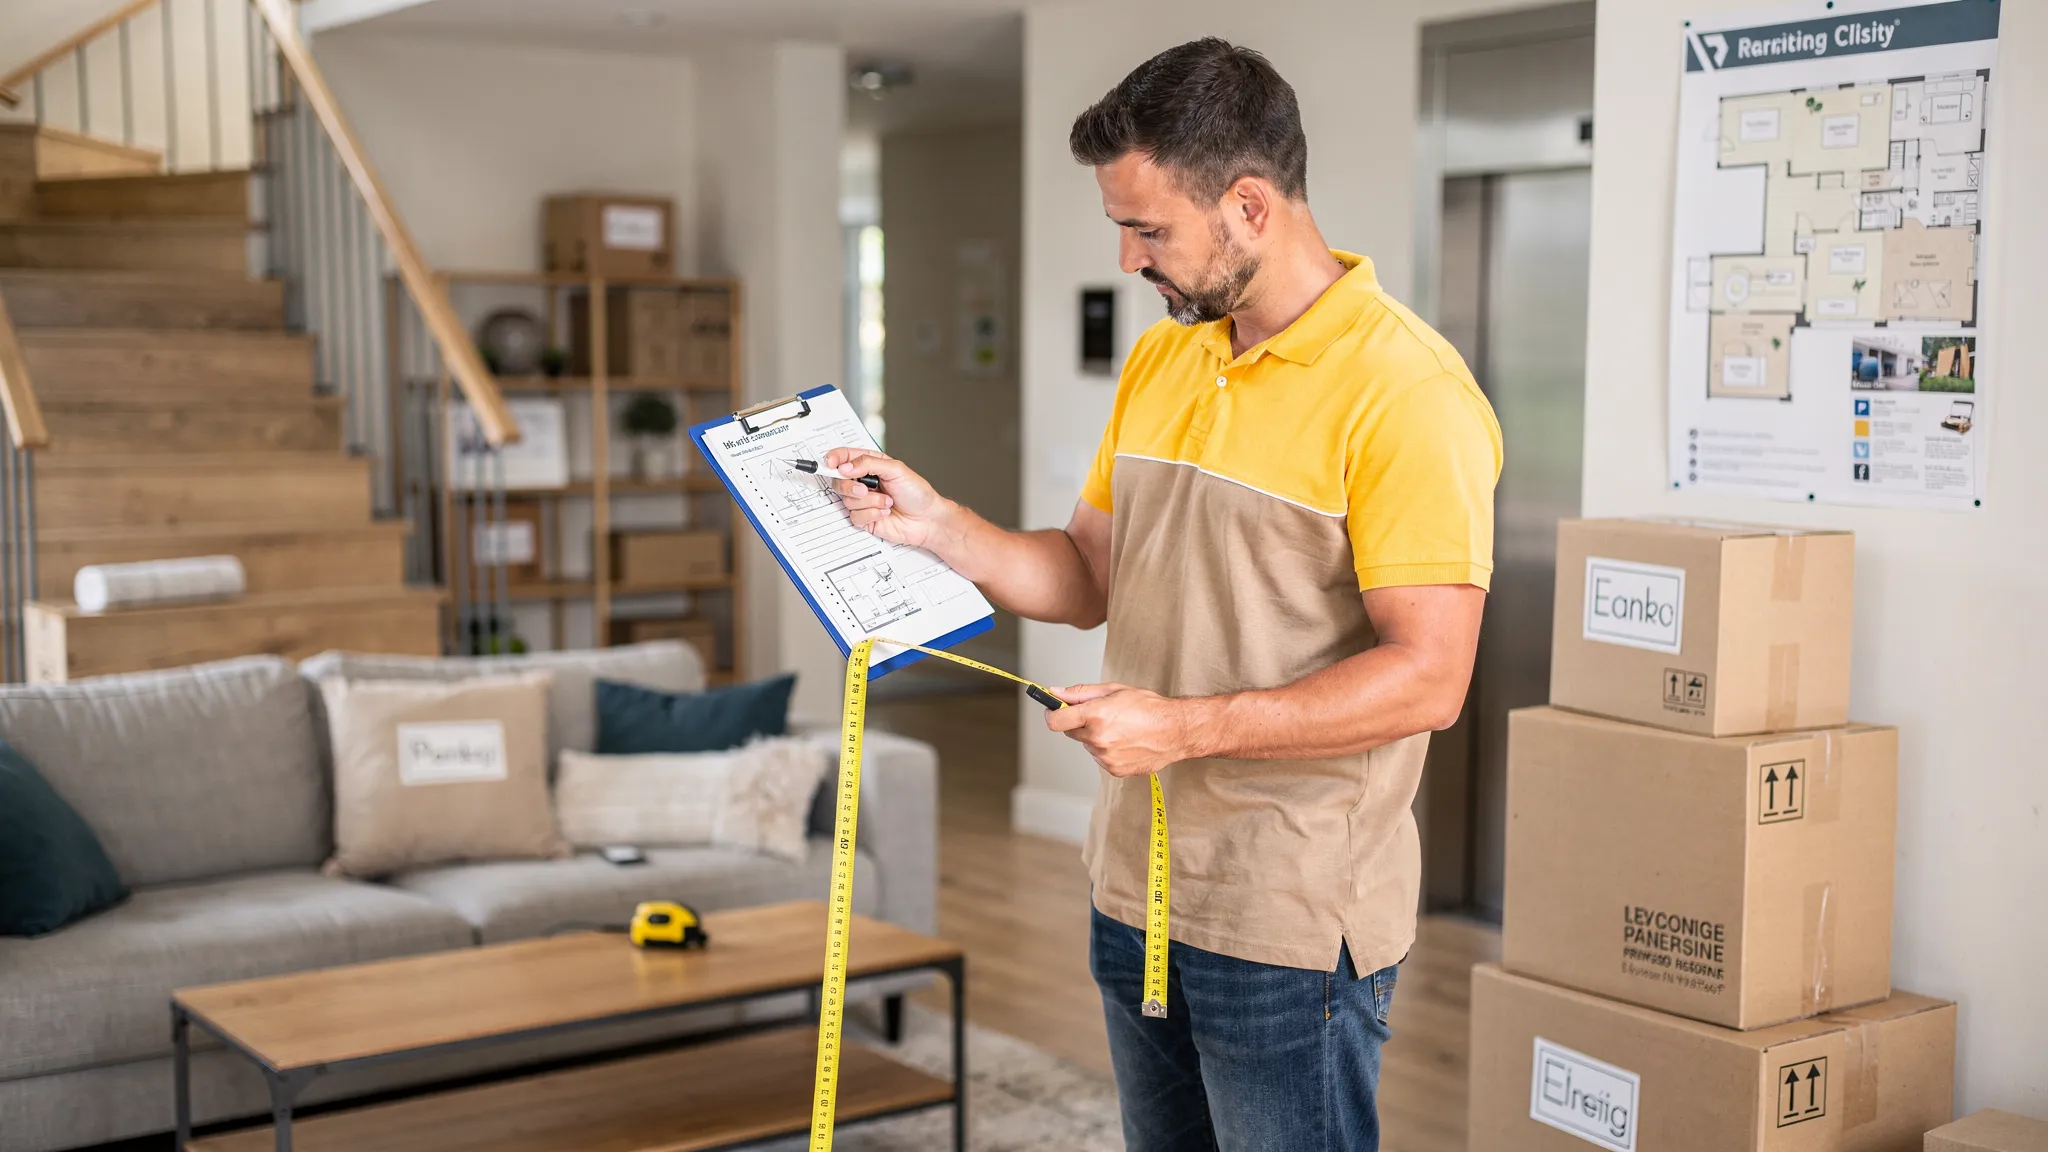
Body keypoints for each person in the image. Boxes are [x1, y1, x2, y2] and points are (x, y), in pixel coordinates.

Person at [825, 37, 1501, 1152]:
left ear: (1247, 205)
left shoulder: (1406, 394)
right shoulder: (1164, 361)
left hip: (1285, 920)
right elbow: (1087, 577)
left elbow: (1428, 677)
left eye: (1148, 229)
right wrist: (937, 527)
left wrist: (1183, 728)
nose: (1132, 259)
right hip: (1133, 890)